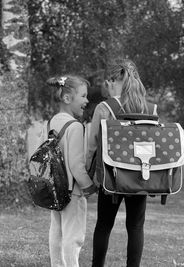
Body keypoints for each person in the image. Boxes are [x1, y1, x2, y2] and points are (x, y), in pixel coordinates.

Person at [86, 58, 157, 267]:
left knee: (104, 225)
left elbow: (92, 146)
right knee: (135, 227)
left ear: (112, 80)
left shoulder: (104, 107)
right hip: (140, 175)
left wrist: (87, 175)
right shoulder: (150, 108)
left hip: (111, 176)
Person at [46, 75, 97, 267]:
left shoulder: (53, 121)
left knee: (56, 232)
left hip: (55, 189)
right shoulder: (75, 126)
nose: (87, 100)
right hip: (72, 192)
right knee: (73, 236)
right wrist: (89, 186)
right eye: (83, 96)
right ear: (67, 98)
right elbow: (76, 164)